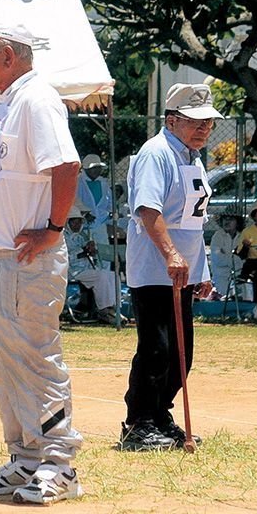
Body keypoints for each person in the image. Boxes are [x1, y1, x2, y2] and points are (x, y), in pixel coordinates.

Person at [0, 23, 84, 505]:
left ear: (6, 55)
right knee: (4, 362)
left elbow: (65, 167)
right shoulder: (5, 103)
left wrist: (53, 227)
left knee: (35, 358)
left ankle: (59, 464)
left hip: (30, 258)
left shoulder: (37, 99)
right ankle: (25, 458)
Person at [121, 82, 220, 451]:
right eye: (196, 122)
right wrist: (170, 255)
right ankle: (139, 422)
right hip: (155, 268)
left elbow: (195, 221)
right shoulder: (156, 153)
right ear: (171, 120)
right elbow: (148, 210)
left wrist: (201, 270)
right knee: (157, 348)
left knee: (182, 353)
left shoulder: (192, 157)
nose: (204, 129)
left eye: (208, 122)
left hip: (183, 271)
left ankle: (160, 415)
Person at [65, 207, 121, 323]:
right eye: (74, 222)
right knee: (101, 276)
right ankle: (104, 311)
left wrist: (92, 250)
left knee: (112, 275)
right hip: (72, 271)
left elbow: (90, 255)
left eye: (79, 222)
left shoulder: (82, 236)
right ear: (68, 223)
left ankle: (114, 308)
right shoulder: (63, 237)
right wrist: (84, 250)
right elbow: (68, 257)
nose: (77, 225)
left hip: (86, 269)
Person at [208, 213, 244, 300]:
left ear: (237, 222)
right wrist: (236, 258)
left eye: (231, 219)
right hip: (221, 278)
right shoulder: (217, 236)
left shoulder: (243, 236)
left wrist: (227, 256)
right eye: (225, 219)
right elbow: (218, 259)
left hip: (240, 276)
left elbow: (244, 261)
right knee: (222, 301)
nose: (227, 222)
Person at [75, 153, 114, 231]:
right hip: (83, 225)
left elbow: (110, 201)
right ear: (86, 169)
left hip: (101, 223)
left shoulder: (103, 183)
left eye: (99, 168)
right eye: (94, 168)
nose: (97, 170)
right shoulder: (77, 182)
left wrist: (109, 213)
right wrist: (85, 214)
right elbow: (74, 201)